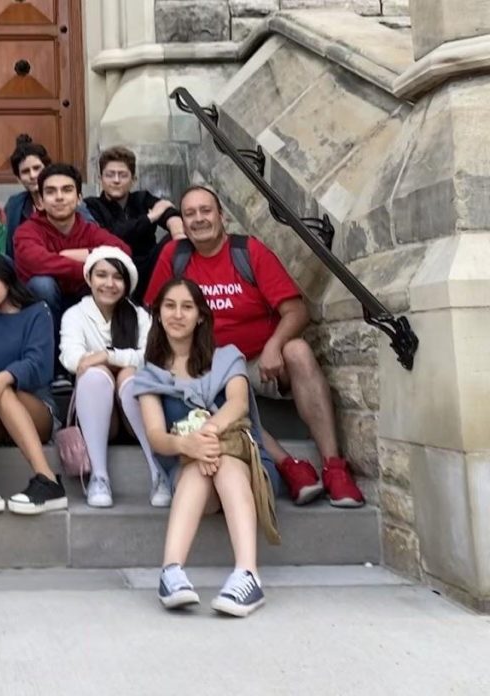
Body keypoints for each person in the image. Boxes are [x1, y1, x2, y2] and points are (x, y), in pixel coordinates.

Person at [144, 186, 364, 508]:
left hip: (262, 362)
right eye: (189, 213)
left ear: (222, 216)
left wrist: (275, 345)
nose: (198, 219)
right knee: (204, 387)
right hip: (212, 366)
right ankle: (291, 466)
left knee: (298, 351)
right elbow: (155, 311)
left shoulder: (248, 252)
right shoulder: (174, 257)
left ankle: (334, 467)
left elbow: (296, 310)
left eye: (205, 211)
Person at [132, 278, 272, 617]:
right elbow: (156, 436)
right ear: (158, 314)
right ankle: (172, 572)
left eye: (186, 306)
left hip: (244, 467)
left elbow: (237, 404)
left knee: (221, 460)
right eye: (169, 306)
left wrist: (207, 435)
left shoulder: (228, 358)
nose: (177, 314)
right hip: (192, 472)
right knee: (198, 467)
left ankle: (247, 574)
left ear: (200, 316)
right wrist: (187, 445)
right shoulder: (149, 374)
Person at [0, 253, 66, 515]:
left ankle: (48, 479)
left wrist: (4, 377)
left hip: (36, 409)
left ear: (7, 276)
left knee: (2, 390)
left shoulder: (37, 312)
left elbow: (39, 363)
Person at [59, 246, 166, 508]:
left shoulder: (139, 316)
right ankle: (99, 477)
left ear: (127, 283)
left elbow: (151, 357)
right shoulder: (75, 315)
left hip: (137, 412)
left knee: (130, 374)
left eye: (117, 277)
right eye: (101, 275)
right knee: (95, 375)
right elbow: (72, 359)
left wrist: (110, 356)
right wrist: (104, 365)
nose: (109, 283)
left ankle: (160, 473)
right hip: (100, 417)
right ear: (89, 279)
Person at [13, 162, 130, 387]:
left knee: (102, 283)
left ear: (78, 198)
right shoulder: (27, 231)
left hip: (81, 299)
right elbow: (36, 261)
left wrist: (82, 255)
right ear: (40, 201)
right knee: (43, 284)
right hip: (44, 306)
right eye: (50, 191)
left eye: (67, 190)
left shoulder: (88, 230)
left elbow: (122, 251)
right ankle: (55, 367)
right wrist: (88, 265)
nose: (59, 197)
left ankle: (95, 359)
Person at [85, 146, 185, 300]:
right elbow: (112, 234)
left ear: (133, 180)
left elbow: (169, 212)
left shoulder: (142, 198)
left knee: (174, 242)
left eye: (123, 175)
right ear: (100, 179)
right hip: (113, 269)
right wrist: (150, 218)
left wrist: (179, 234)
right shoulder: (91, 205)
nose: (116, 180)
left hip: (149, 266)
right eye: (110, 175)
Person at [3, 135, 93, 257]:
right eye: (25, 171)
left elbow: (93, 239)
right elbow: (9, 248)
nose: (33, 175)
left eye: (37, 168)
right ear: (19, 179)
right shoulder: (15, 205)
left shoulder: (66, 200)